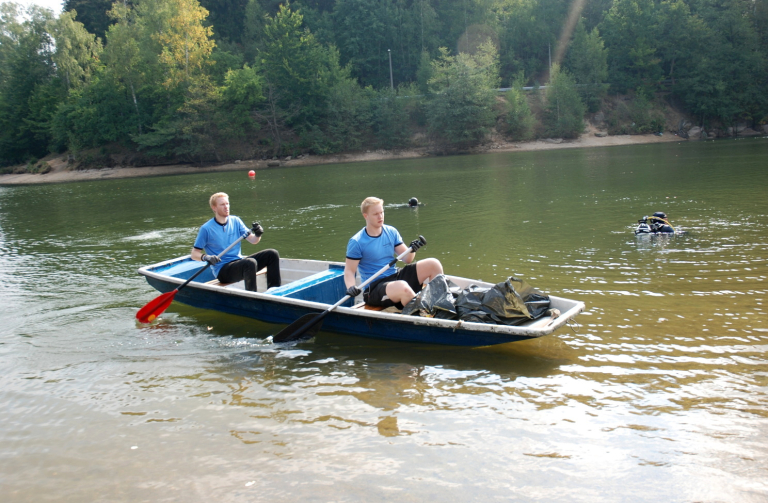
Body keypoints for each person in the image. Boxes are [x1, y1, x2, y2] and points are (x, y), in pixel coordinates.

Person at [344, 197, 443, 308]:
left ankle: (440, 307)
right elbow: (349, 271)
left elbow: (407, 259)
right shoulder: (357, 241)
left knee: (434, 264)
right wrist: (351, 287)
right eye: (376, 214)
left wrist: (412, 249)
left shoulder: (391, 231)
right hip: (374, 289)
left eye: (381, 212)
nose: (380, 216)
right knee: (402, 287)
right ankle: (423, 317)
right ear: (365, 216)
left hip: (394, 276)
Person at [191, 192, 281, 291]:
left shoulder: (236, 221)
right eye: (222, 204)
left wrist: (258, 234)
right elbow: (194, 254)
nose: (226, 207)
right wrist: (206, 257)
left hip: (239, 263)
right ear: (214, 208)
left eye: (227, 203)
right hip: (223, 270)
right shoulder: (206, 229)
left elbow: (253, 240)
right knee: (249, 263)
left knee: (272, 254)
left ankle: (274, 290)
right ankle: (252, 297)